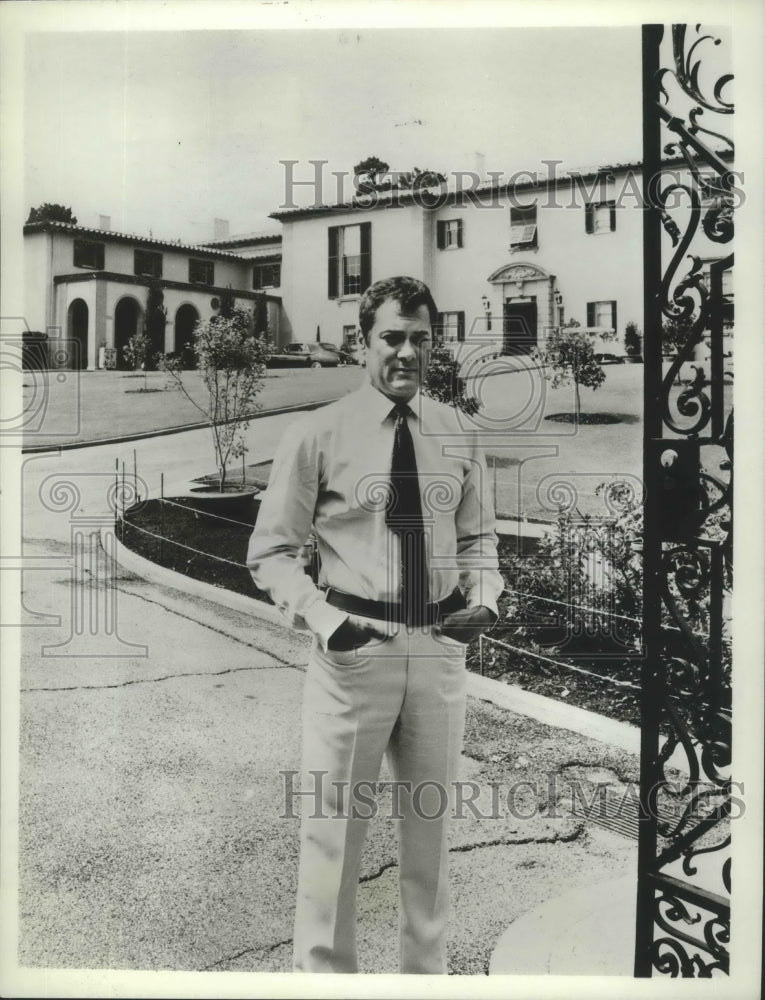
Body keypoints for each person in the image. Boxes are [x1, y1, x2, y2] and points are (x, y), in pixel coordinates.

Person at [247, 275, 503, 974]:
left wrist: (483, 596)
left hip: (437, 653)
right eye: (391, 337)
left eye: (420, 339)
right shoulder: (317, 435)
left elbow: (480, 539)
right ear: (362, 343)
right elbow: (269, 552)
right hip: (353, 654)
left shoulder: (457, 432)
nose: (406, 353)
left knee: (430, 839)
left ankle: (426, 983)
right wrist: (326, 620)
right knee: (332, 841)